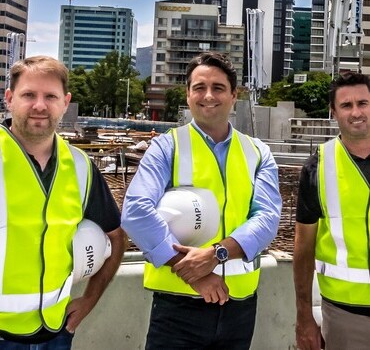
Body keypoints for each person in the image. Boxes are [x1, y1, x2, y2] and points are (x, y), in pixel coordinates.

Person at [122, 52, 281, 349]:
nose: (208, 96)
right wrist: (193, 274)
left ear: (234, 95)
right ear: (188, 94)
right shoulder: (166, 146)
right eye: (199, 87)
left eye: (218, 88)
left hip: (239, 306)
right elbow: (136, 212)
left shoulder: (258, 152)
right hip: (177, 305)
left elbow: (267, 218)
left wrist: (216, 254)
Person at [0, 55, 125, 349]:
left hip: (56, 333)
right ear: (9, 98)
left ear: (65, 102)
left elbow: (116, 236)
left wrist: (90, 299)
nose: (40, 105)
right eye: (28, 94)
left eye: (50, 96)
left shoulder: (81, 166)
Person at [293, 71, 370, 350]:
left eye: (363, 103)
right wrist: (303, 316)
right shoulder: (318, 167)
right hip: (344, 317)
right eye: (346, 105)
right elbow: (303, 250)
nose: (356, 112)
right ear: (333, 112)